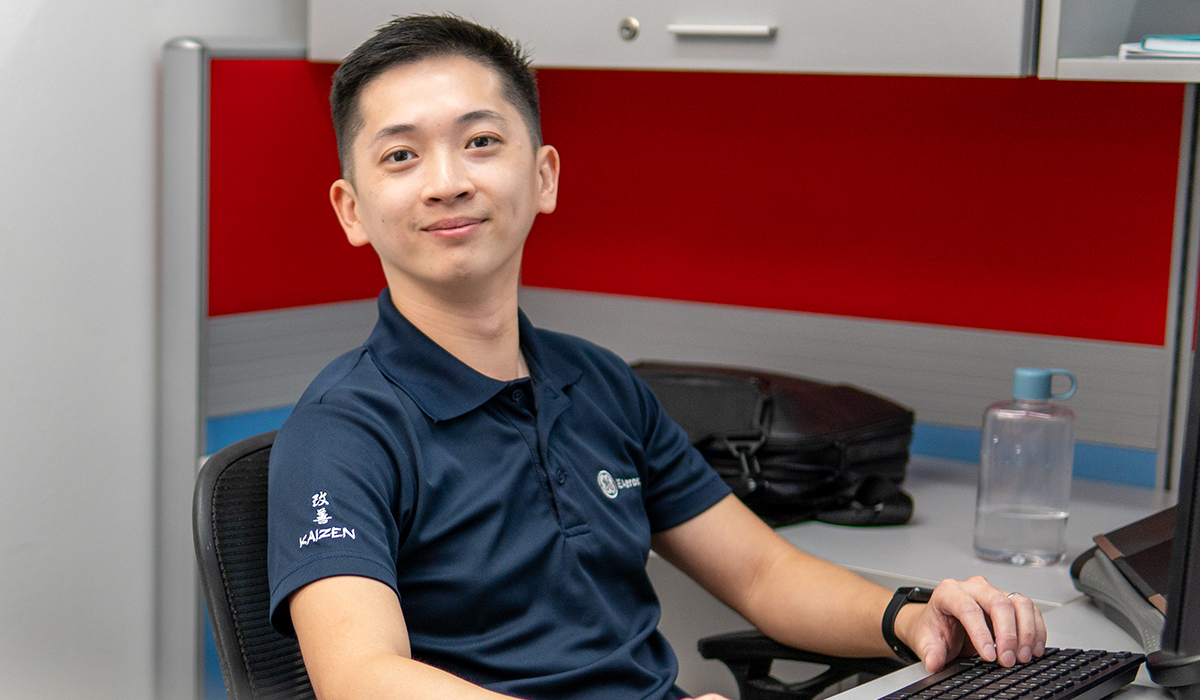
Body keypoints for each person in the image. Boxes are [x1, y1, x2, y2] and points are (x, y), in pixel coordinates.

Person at [263, 14, 1047, 700]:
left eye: (480, 142)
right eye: (401, 157)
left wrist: (913, 618)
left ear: (543, 178)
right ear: (352, 211)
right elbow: (360, 677)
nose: (446, 183)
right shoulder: (342, 433)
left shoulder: (598, 383)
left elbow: (762, 576)